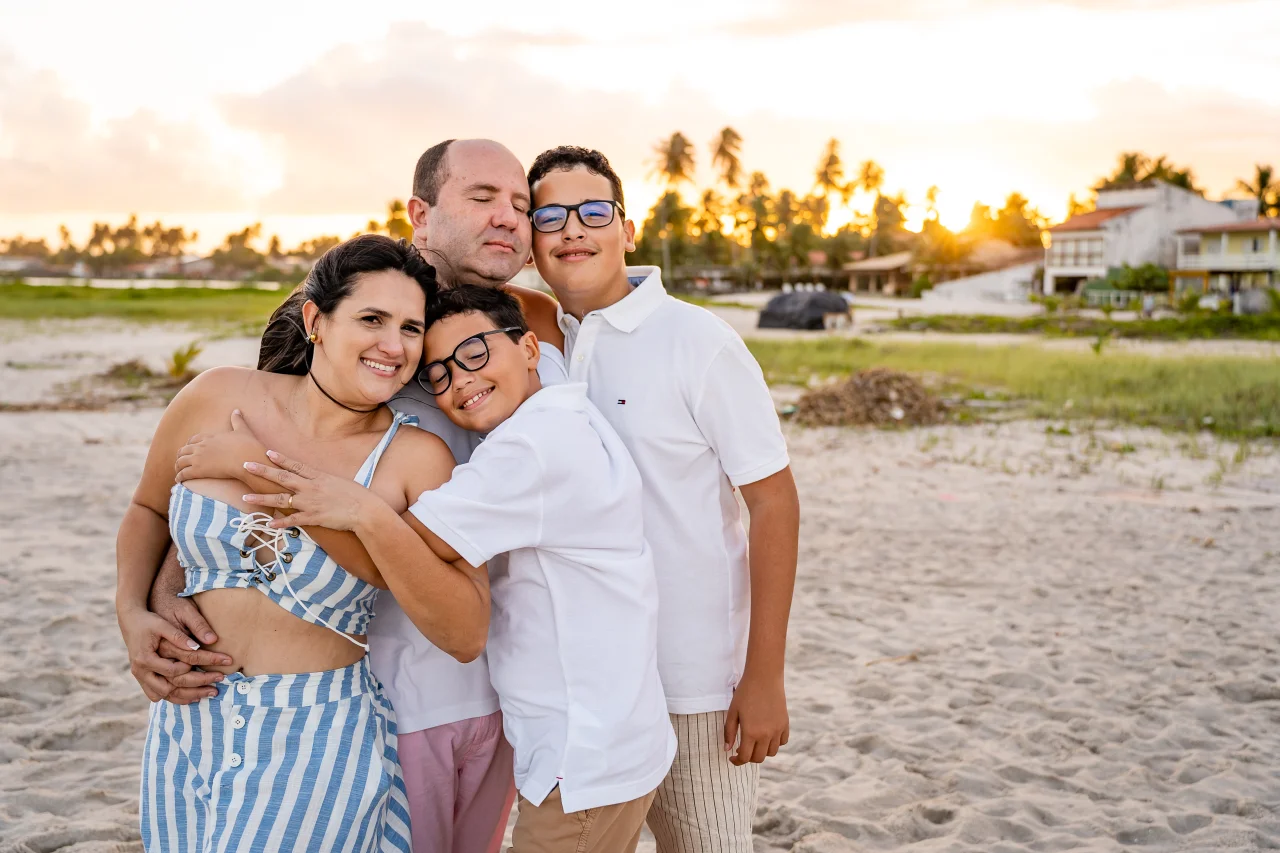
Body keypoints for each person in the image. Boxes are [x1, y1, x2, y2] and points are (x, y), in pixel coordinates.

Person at [122, 139, 565, 853]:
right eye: (372, 321)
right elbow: (154, 509)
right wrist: (136, 609)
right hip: (189, 723)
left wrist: (268, 476)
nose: (395, 344)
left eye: (411, 330)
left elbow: (459, 616)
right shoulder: (220, 393)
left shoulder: (433, 429)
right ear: (315, 321)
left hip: (338, 721)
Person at [243, 285, 676, 852]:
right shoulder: (564, 404)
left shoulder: (527, 451)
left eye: (475, 354)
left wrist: (297, 490)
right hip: (619, 736)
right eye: (439, 375)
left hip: (582, 757)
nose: (462, 380)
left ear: (529, 349)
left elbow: (395, 555)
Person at [526, 146, 801, 853]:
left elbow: (774, 501)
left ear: (627, 229)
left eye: (593, 212)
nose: (572, 229)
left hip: (692, 680)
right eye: (550, 216)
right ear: (531, 240)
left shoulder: (696, 340)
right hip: (583, 683)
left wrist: (764, 676)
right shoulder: (537, 347)